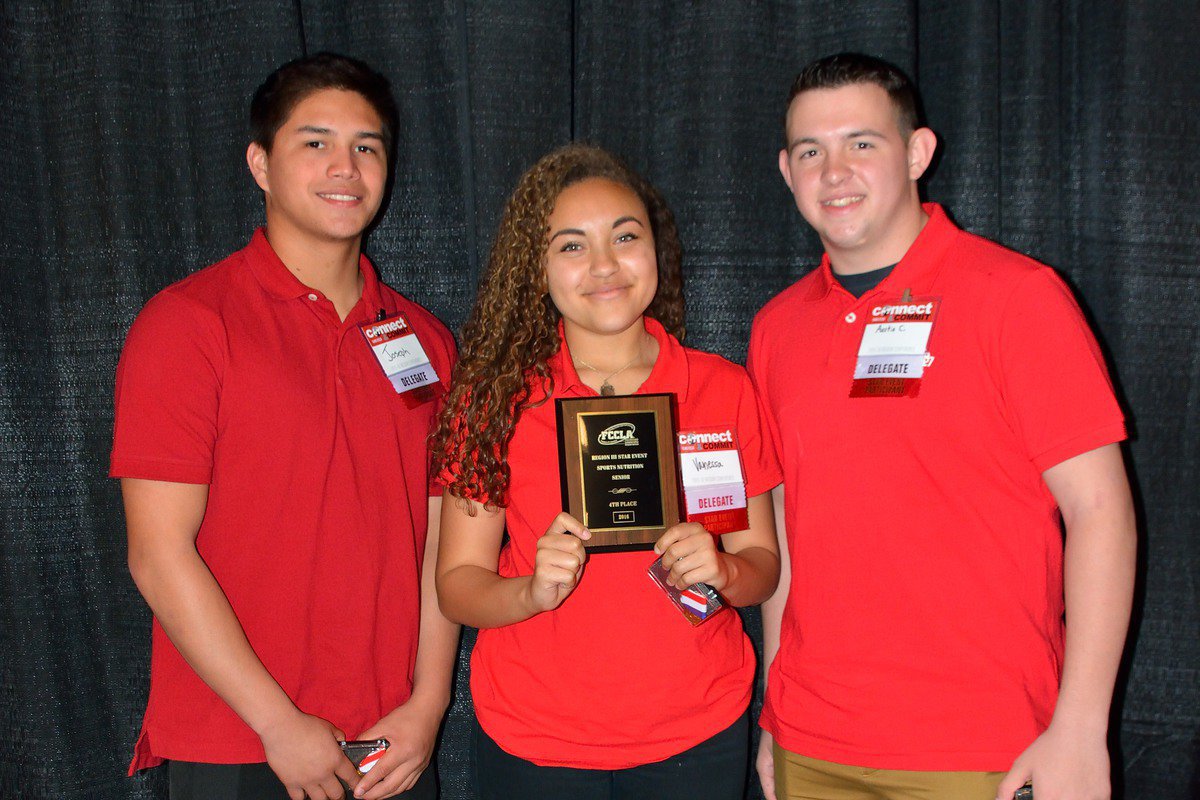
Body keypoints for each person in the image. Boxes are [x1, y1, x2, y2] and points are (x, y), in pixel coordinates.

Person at [750, 53, 1136, 800]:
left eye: (862, 143)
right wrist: (776, 716)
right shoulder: (776, 329)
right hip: (813, 741)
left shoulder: (1017, 299)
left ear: (918, 152)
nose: (835, 172)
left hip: (983, 748)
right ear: (785, 170)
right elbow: (786, 530)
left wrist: (1082, 729)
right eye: (810, 151)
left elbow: (1102, 513)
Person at [111, 53, 459, 800]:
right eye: (316, 142)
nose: (346, 167)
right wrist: (277, 723)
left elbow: (444, 542)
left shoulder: (425, 343)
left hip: (388, 746)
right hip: (241, 740)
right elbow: (156, 553)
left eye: (367, 147)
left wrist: (428, 706)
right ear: (260, 163)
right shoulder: (188, 326)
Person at [431, 143, 782, 799]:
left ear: (657, 249)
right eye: (571, 246)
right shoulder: (492, 400)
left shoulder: (722, 390)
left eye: (625, 236)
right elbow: (456, 585)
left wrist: (723, 569)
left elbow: (759, 563)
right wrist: (530, 592)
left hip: (696, 733)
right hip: (534, 740)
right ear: (536, 268)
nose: (603, 265)